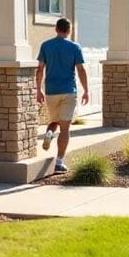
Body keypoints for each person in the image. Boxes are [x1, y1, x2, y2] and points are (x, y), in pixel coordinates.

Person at [36, 18, 89, 173]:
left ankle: (49, 133)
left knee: (54, 121)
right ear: (69, 30)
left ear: (56, 29)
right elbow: (81, 70)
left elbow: (39, 69)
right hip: (68, 91)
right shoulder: (74, 47)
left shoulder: (46, 46)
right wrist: (86, 90)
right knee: (65, 128)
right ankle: (59, 162)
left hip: (51, 90)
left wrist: (38, 90)